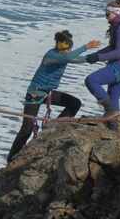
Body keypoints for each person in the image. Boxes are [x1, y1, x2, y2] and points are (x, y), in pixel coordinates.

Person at [7, 30, 100, 163]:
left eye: (69, 50)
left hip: (48, 93)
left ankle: (53, 127)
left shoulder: (64, 55)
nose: (67, 52)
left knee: (74, 103)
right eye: (66, 50)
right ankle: (11, 159)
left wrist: (98, 57)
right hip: (35, 93)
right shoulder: (52, 55)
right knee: (26, 129)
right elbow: (69, 58)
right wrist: (86, 47)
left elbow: (78, 59)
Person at [84, 0, 120, 126]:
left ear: (116, 12)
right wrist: (95, 55)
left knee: (91, 80)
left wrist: (98, 57)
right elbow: (112, 48)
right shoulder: (117, 25)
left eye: (107, 14)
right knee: (113, 98)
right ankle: (114, 132)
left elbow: (119, 51)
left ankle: (109, 110)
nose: (106, 17)